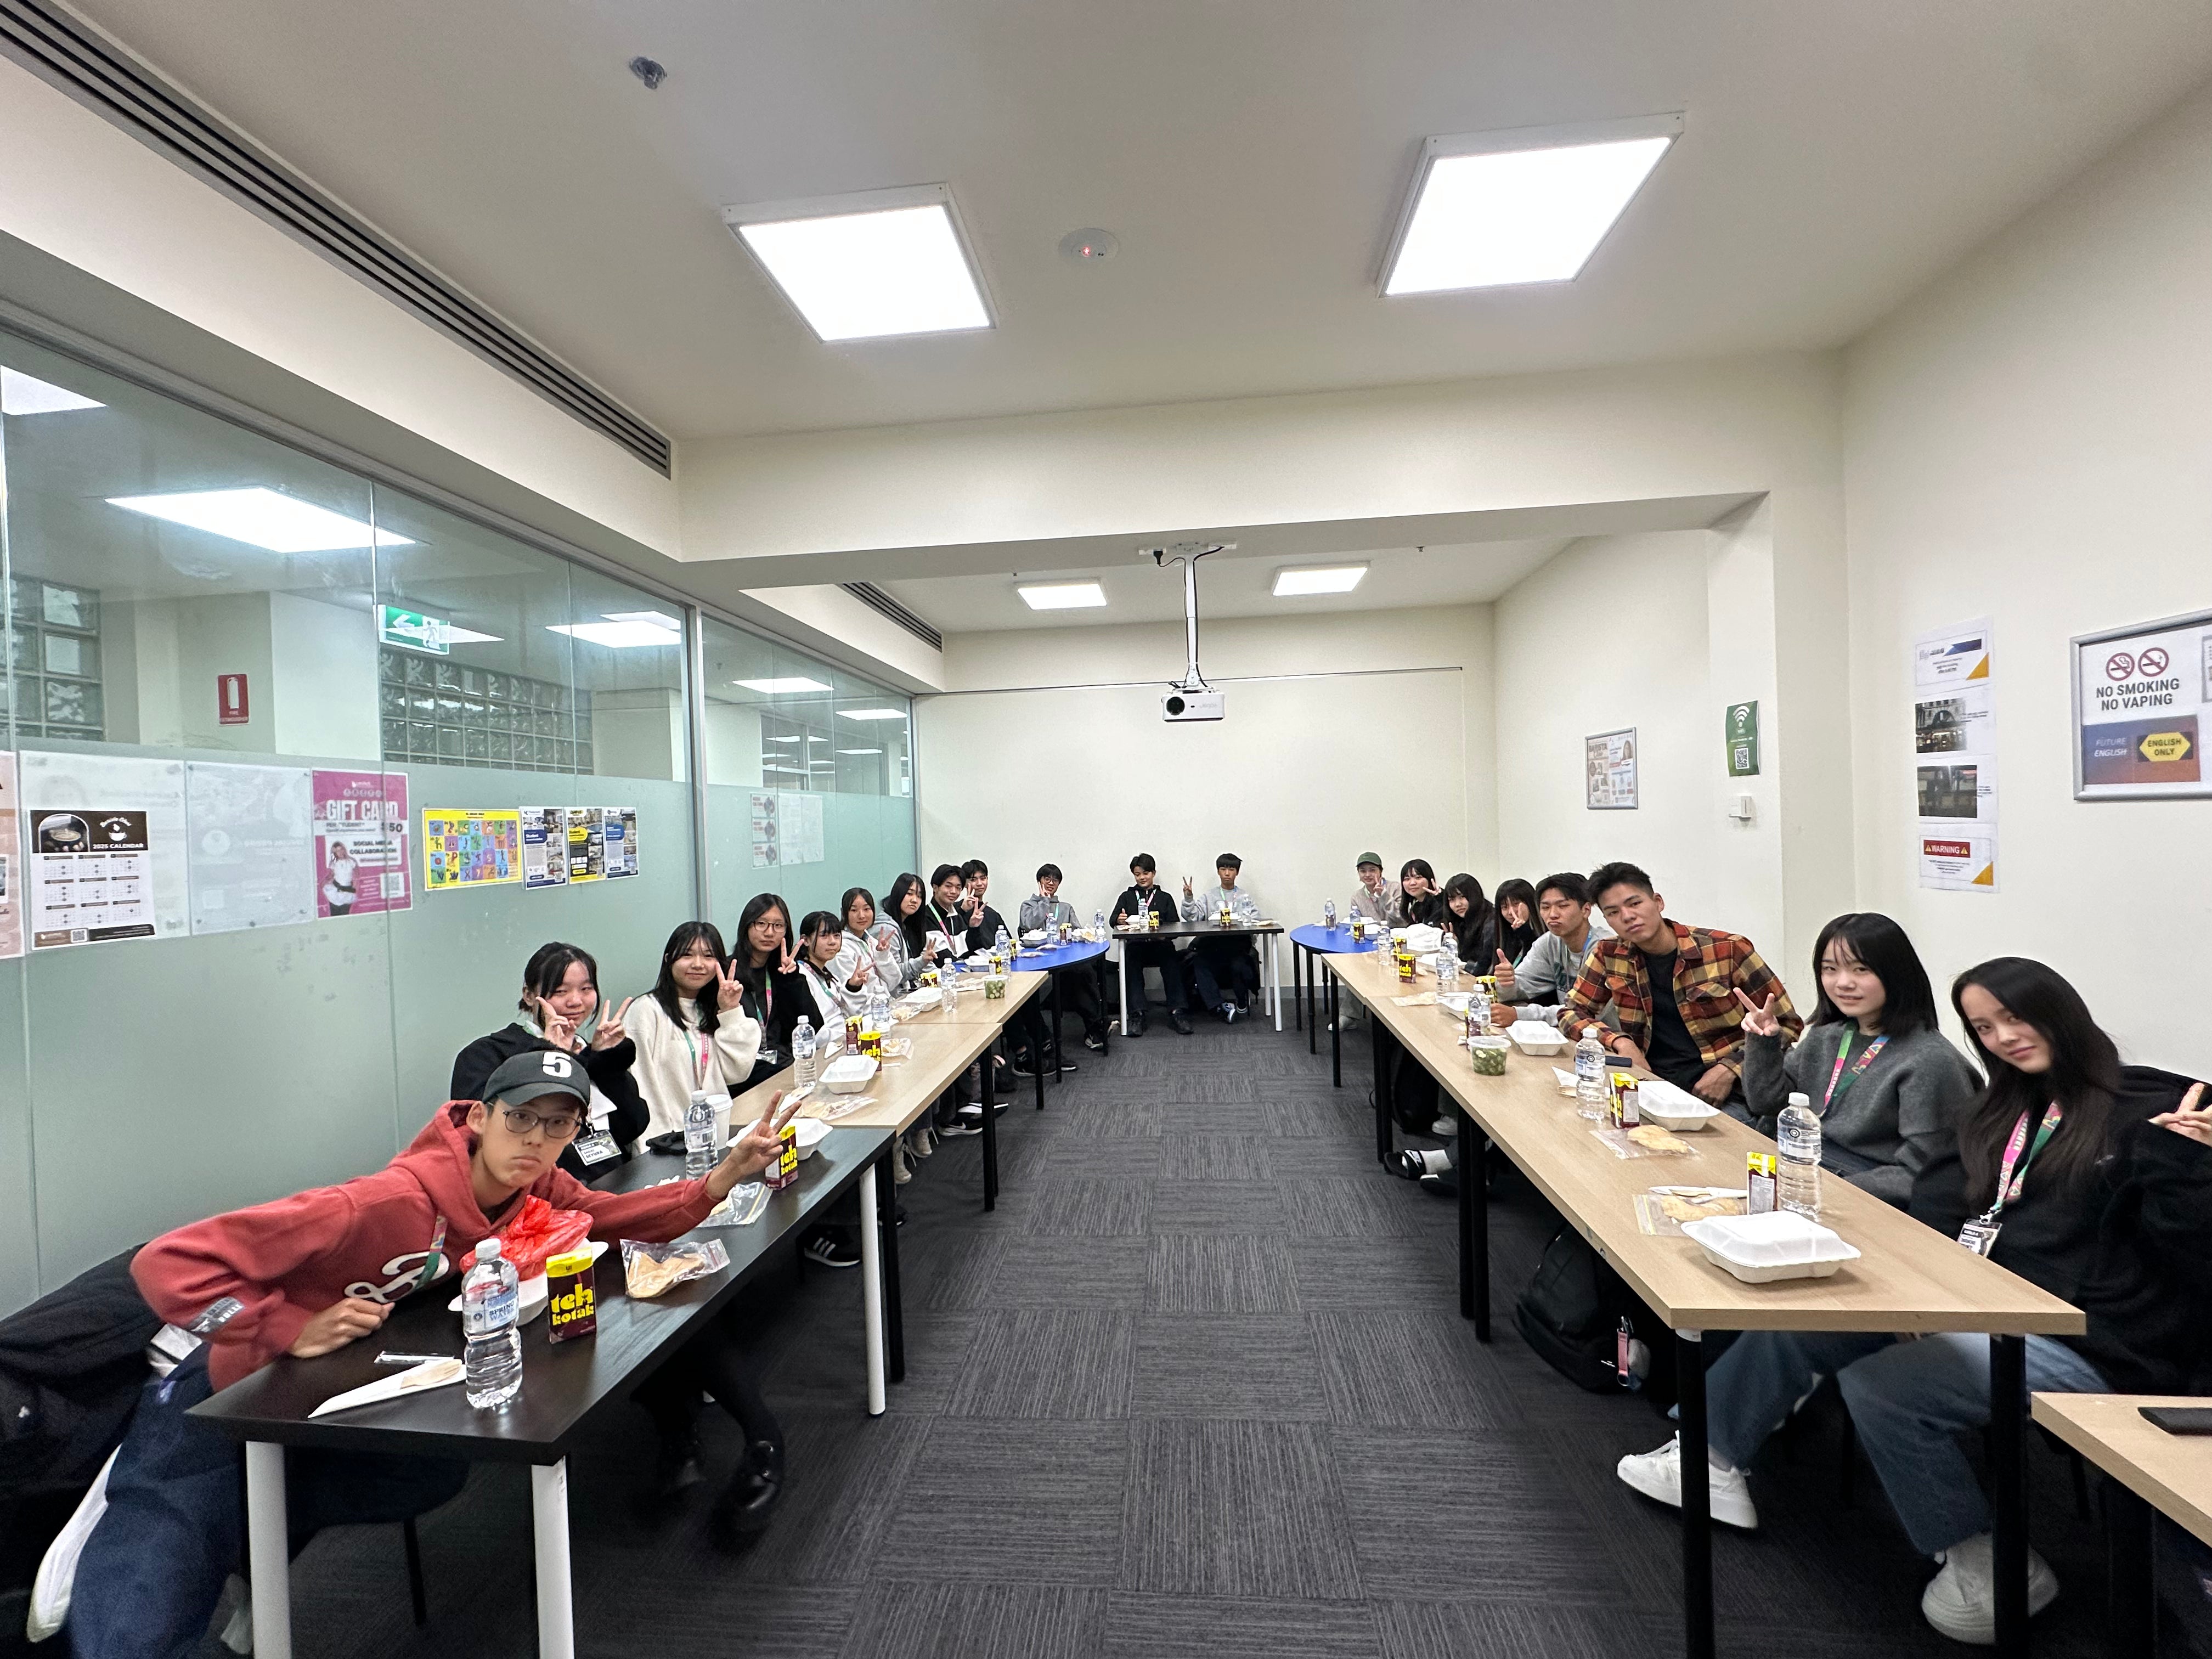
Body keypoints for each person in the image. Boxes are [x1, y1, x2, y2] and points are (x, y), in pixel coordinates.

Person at [70, 1052, 794, 1654]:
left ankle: (244, 1553)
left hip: (331, 1391)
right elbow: (167, 1263)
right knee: (141, 1616)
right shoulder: (380, 1204)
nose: (536, 1141)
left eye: (558, 1125)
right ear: (479, 1119)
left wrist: (720, 1181)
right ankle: (127, 1510)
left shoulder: (530, 1183)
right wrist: (284, 1326)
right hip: (226, 1389)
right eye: (520, 1120)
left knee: (430, 1476)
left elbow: (607, 1217)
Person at [1615, 959, 2212, 1645]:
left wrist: (2188, 1167)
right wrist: (1916, 1297)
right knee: (1813, 1312)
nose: (2004, 1037)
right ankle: (1710, 1457)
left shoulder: (2151, 1113)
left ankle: (1986, 1558)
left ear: (2062, 1011)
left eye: (2015, 1018)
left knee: (1885, 1387)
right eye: (1985, 1027)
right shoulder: (2006, 1103)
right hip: (1976, 1301)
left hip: (2090, 1344)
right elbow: (1942, 1198)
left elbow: (2190, 1259)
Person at [1736, 912, 1981, 1206]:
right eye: (1830, 969)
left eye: (1861, 970)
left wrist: (1828, 1190)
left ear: (1897, 974)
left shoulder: (1930, 1060)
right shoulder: (1828, 1036)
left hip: (1861, 1194)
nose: (1843, 983)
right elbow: (1766, 1103)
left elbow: (1925, 1173)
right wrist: (1763, 1041)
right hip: (1800, 1169)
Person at [1560, 861, 1801, 1110]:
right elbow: (1571, 1012)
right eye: (1613, 912)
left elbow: (1787, 1024)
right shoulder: (1609, 954)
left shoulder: (1727, 950)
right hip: (1648, 1085)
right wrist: (1621, 1042)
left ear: (1658, 902)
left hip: (1724, 1093)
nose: (1627, 916)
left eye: (1635, 903)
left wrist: (1730, 1069)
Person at [450, 941, 650, 1178]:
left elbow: (633, 1126)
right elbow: (485, 1138)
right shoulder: (486, 1055)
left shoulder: (586, 1052)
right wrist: (550, 1056)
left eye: (586, 989)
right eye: (560, 992)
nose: (575, 1001)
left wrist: (607, 1063)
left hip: (611, 1190)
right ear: (528, 995)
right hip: (539, 1198)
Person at [620, 922, 764, 1139]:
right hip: (668, 1142)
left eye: (708, 956)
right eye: (687, 955)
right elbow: (643, 1087)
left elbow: (737, 1073)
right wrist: (655, 1147)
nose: (698, 964)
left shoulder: (708, 1009)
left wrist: (730, 1011)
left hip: (717, 1134)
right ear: (669, 960)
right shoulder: (646, 1011)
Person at [1018, 862, 1108, 1054]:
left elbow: (1077, 932)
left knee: (1084, 971)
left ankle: (1094, 1029)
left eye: (1055, 880)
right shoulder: (1028, 905)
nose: (1051, 883)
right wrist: (1044, 901)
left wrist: (1082, 934)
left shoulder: (1065, 907)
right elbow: (1029, 924)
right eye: (1047, 879)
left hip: (1065, 961)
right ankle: (1097, 1027)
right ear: (1039, 881)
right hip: (1039, 963)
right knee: (1080, 975)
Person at [1494, 872, 1613, 1017]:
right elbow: (1521, 985)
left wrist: (1519, 1015)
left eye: (1562, 906)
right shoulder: (1550, 942)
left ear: (1586, 910)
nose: (1553, 915)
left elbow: (1585, 1011)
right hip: (1568, 1029)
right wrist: (1507, 982)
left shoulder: (1604, 948)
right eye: (1545, 907)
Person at [728, 893, 808, 1091]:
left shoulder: (782, 972)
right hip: (745, 1080)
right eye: (761, 924)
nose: (769, 932)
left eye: (778, 926)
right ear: (746, 926)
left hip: (783, 1071)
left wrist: (792, 979)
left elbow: (811, 1023)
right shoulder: (727, 974)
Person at [1178, 853, 1262, 1023]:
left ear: (1237, 873)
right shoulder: (1209, 896)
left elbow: (1255, 921)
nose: (1227, 873)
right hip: (1214, 947)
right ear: (1218, 872)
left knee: (1239, 964)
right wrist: (1189, 899)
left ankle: (1241, 999)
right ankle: (1218, 1006)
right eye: (1223, 869)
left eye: (1231, 869)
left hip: (1238, 947)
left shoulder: (1245, 897)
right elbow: (1193, 917)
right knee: (1200, 962)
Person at [1113, 853, 1189, 1036]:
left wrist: (1164, 935)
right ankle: (1137, 1014)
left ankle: (1177, 1011)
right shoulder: (1127, 896)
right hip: (1137, 946)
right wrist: (1120, 919)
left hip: (1160, 945)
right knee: (1130, 962)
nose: (1142, 877)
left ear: (1154, 873)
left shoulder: (1165, 897)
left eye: (1146, 873)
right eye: (1138, 874)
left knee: (1172, 961)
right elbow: (1113, 921)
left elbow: (1175, 925)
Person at [1440, 872, 1497, 965]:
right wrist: (1454, 946)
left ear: (1475, 895)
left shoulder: (1491, 923)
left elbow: (1483, 966)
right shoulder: (1458, 922)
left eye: (1462, 897)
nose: (1458, 904)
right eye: (1452, 900)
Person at [1348, 851, 1403, 929]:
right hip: (1370, 938)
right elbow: (1357, 924)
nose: (1367, 875)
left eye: (1372, 870)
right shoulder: (1357, 897)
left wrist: (1384, 895)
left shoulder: (1396, 888)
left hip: (1396, 936)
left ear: (1381, 871)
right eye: (1363, 871)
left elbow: (1402, 917)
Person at [1494, 877, 1541, 965]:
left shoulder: (1546, 935)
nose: (1510, 912)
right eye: (1505, 907)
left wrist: (1525, 932)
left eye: (1516, 904)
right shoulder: (1504, 933)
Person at [1397, 859, 1446, 929]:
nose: (1412, 883)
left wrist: (1440, 898)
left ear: (1429, 878)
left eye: (1418, 878)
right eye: (1407, 879)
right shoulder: (1415, 904)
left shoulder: (1440, 900)